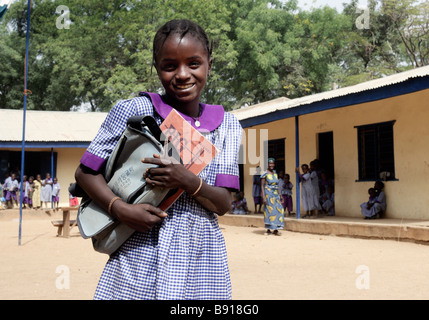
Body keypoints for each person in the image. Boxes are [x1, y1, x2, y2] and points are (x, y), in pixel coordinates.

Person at [74, 19, 242, 300]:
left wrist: (187, 181)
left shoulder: (227, 126)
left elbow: (224, 204)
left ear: (209, 64)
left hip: (200, 260)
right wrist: (120, 210)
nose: (182, 74)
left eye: (194, 63)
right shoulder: (136, 110)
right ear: (156, 68)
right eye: (169, 66)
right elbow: (85, 173)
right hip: (139, 251)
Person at [261, 158, 284, 235]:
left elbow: (277, 185)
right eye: (270, 164)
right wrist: (264, 197)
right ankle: (268, 229)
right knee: (269, 211)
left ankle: (276, 229)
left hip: (276, 195)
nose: (271, 165)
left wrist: (280, 195)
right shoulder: (264, 174)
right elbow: (262, 185)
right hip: (268, 195)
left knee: (279, 210)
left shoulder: (275, 173)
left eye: (273, 164)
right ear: (267, 164)